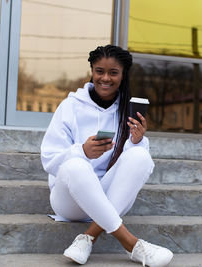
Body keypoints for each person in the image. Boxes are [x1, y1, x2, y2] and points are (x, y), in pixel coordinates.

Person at [40, 44, 173, 267]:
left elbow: (136, 169)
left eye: (113, 72)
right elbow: (49, 159)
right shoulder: (70, 106)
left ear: (123, 75)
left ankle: (88, 236)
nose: (105, 78)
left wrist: (137, 140)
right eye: (99, 71)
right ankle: (131, 244)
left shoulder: (127, 110)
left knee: (141, 156)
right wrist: (82, 151)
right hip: (69, 199)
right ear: (92, 71)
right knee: (76, 165)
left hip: (110, 195)